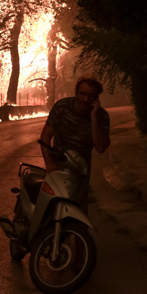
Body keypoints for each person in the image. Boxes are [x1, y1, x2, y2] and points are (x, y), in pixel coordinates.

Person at [39, 77, 111, 210]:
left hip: (81, 171)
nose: (85, 100)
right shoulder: (62, 107)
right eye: (83, 94)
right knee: (51, 207)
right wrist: (49, 164)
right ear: (76, 93)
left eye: (91, 96)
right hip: (57, 167)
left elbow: (101, 147)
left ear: (96, 98)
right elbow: (45, 136)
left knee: (78, 211)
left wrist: (93, 117)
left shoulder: (102, 116)